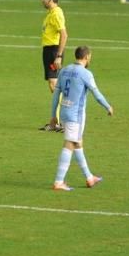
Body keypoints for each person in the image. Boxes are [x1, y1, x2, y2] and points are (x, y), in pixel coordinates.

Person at [46, 46, 114, 191]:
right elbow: (96, 93)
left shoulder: (64, 70)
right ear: (87, 57)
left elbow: (55, 95)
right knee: (70, 143)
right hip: (75, 115)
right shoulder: (85, 74)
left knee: (78, 143)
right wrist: (108, 106)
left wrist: (53, 115)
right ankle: (58, 182)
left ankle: (89, 178)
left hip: (64, 112)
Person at [36, 0, 67, 131]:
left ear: (52, 0)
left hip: (53, 51)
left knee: (54, 85)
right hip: (48, 50)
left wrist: (59, 56)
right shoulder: (51, 10)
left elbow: (64, 34)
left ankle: (61, 121)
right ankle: (55, 121)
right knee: (52, 84)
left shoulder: (56, 14)